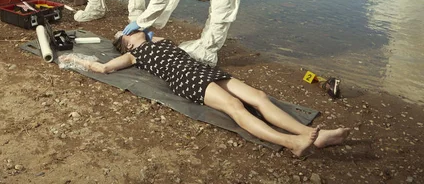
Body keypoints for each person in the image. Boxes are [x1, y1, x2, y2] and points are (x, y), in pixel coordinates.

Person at [61, 31, 351, 157]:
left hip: (203, 70)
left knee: (260, 96)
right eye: (131, 32)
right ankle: (292, 142)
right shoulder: (134, 55)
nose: (137, 30)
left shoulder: (158, 39)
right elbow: (104, 69)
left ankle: (315, 135)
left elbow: (153, 13)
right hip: (186, 79)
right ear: (125, 42)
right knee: (236, 108)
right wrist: (79, 61)